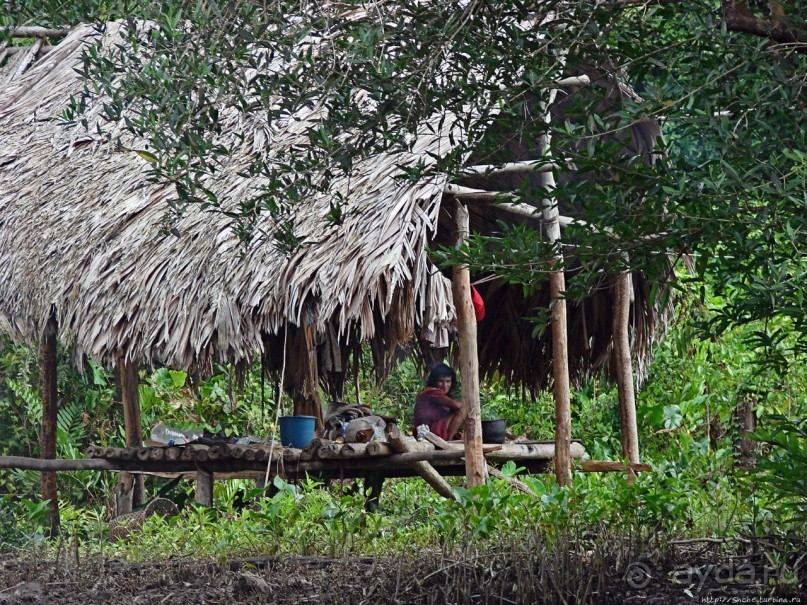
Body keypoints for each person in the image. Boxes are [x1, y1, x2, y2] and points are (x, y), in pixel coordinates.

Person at [413, 363, 463, 441]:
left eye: (448, 381)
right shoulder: (432, 393)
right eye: (441, 381)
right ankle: (448, 442)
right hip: (429, 432)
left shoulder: (434, 393)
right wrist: (467, 402)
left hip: (432, 430)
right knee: (460, 411)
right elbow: (456, 405)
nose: (445, 385)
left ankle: (449, 439)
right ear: (434, 381)